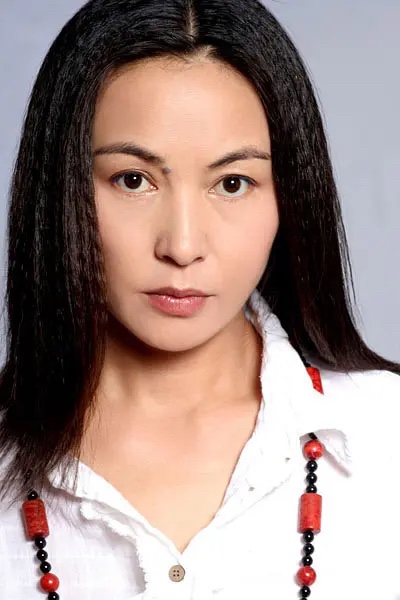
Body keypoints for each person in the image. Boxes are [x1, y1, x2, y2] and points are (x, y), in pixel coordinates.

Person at [0, 0, 399, 598]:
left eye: (232, 183)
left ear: (291, 197)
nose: (183, 246)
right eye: (133, 180)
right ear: (60, 191)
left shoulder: (386, 434)